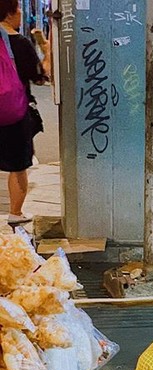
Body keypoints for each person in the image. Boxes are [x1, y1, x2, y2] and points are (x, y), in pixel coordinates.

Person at [0, 0, 45, 225]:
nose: (20, 14)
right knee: (18, 166)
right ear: (9, 13)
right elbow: (41, 76)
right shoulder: (19, 43)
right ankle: (15, 213)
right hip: (13, 112)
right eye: (18, 9)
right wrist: (45, 46)